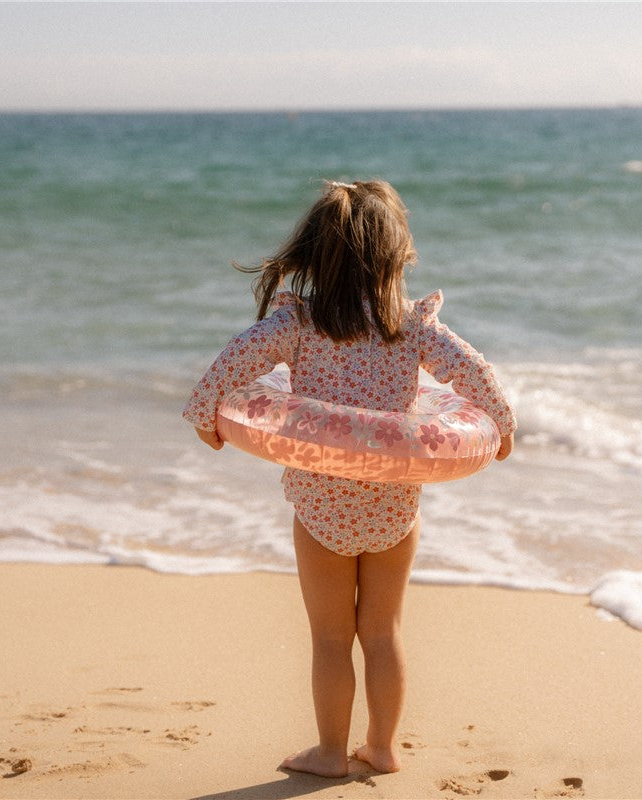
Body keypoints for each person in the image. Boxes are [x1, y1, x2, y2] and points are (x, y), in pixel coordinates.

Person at [183, 179, 516, 777]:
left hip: (321, 507)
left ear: (315, 255)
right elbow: (475, 372)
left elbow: (232, 361)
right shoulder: (411, 325)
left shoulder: (299, 324)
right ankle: (382, 748)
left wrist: (206, 417)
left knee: (331, 639)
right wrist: (504, 427)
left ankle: (331, 753)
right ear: (396, 256)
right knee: (384, 633)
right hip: (394, 506)